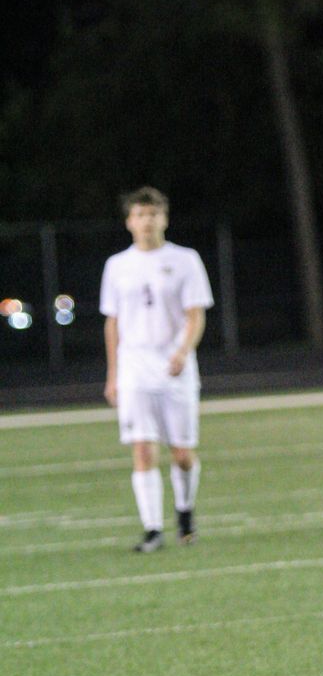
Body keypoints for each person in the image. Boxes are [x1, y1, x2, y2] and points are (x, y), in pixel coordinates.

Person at [100, 186, 213, 552]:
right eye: (140, 215)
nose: (147, 221)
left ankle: (185, 514)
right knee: (143, 450)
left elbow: (195, 314)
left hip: (174, 368)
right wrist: (113, 374)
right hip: (134, 368)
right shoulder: (117, 265)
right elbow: (113, 323)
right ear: (129, 221)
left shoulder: (186, 259)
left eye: (153, 214)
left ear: (163, 218)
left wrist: (182, 351)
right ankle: (152, 530)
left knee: (181, 453)